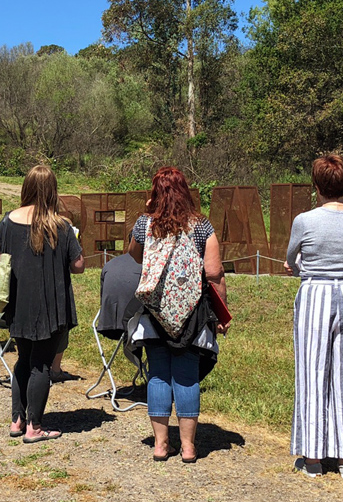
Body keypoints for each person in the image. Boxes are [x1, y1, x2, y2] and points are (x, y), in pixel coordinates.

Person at [127, 166, 227, 463]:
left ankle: (160, 445)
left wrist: (147, 211)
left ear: (154, 194)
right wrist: (221, 311)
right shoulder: (201, 227)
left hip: (155, 312)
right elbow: (213, 272)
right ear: (185, 192)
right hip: (191, 314)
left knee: (158, 374)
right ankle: (188, 447)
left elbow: (133, 254)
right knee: (186, 376)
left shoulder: (145, 224)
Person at [285, 154, 343, 479]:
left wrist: (302, 267)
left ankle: (314, 458)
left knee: (312, 371)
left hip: (315, 293)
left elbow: (291, 257)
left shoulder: (305, 220)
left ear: (317, 185)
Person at [0, 165, 84, 443]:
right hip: (50, 304)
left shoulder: (7, 222)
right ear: (53, 190)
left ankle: (17, 420)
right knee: (41, 365)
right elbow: (78, 266)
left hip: (18, 302)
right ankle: (35, 427)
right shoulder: (62, 226)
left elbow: (1, 263)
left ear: (26, 187)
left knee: (23, 359)